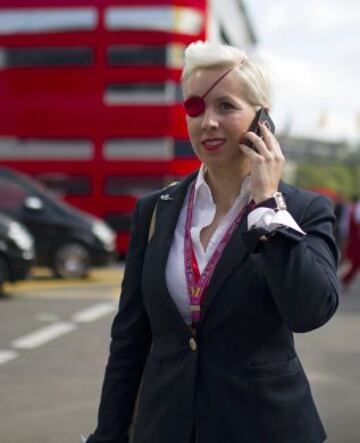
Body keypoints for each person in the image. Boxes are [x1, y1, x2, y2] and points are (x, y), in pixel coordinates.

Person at [86, 41, 340, 443]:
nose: (208, 122)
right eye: (195, 106)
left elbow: (309, 311)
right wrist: (109, 433)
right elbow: (130, 340)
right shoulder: (155, 210)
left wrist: (268, 205)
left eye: (226, 106)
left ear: (262, 120)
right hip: (164, 427)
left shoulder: (303, 210)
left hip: (263, 428)